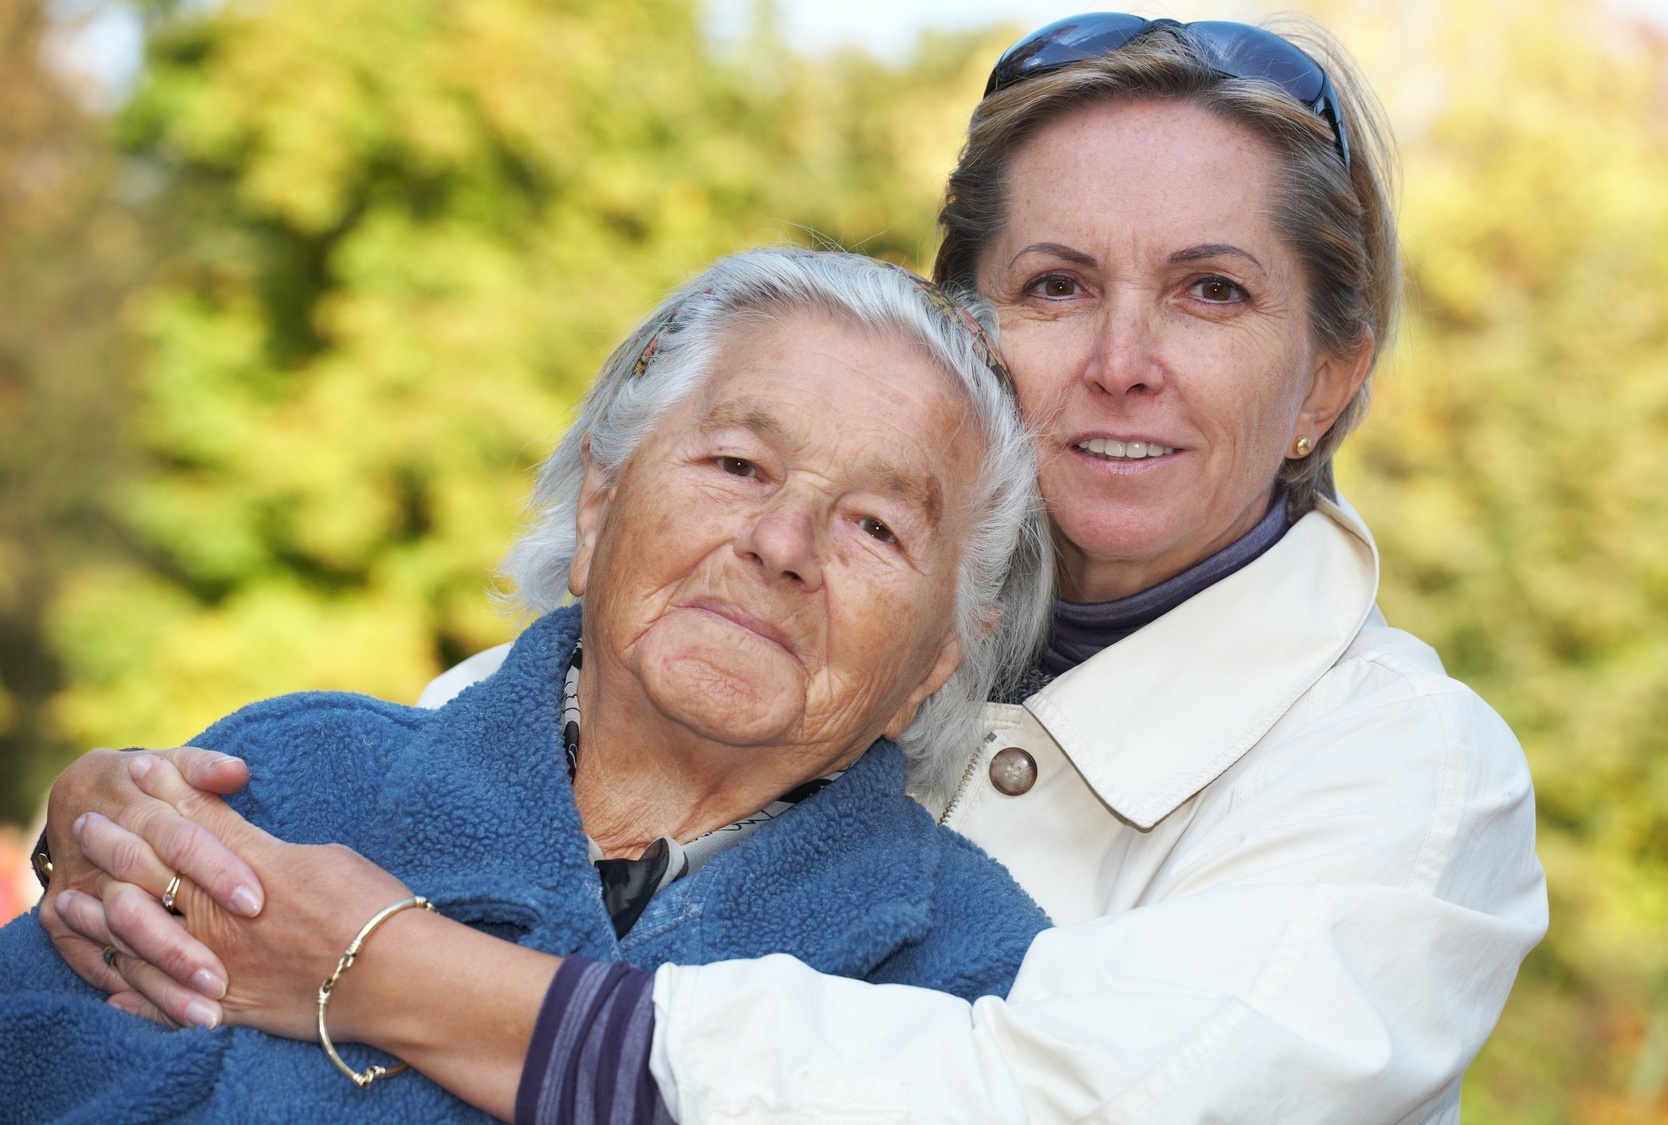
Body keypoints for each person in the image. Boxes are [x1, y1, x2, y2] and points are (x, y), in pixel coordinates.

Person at [33, 13, 1549, 1124]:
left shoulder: (1407, 773)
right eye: (1054, 286)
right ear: (968, 327)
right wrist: (132, 835)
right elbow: (401, 787)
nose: (1123, 362)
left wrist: (392, 972)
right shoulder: (673, 631)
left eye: (1212, 293)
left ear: (1332, 372)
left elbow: (1079, 1103)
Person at [0, 248, 1056, 1123]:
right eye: (737, 465)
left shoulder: (975, 971)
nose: (782, 543)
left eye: (876, 527)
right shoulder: (285, 781)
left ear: (936, 660)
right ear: (600, 505)